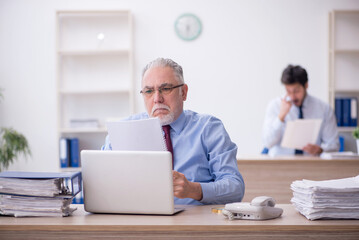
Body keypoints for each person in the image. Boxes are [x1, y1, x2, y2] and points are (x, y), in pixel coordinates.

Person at [102, 58, 245, 205]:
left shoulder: (208, 128)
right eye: (149, 91)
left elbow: (235, 188)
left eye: (165, 89)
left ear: (183, 92)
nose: (157, 99)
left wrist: (193, 189)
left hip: (193, 223)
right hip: (138, 221)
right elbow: (101, 181)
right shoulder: (122, 131)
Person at [262, 64, 339, 156]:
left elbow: (334, 145)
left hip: (311, 165)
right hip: (280, 164)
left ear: (306, 85)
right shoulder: (275, 106)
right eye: (288, 91)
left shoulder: (324, 109)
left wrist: (320, 149)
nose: (292, 96)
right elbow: (267, 143)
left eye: (296, 91)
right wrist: (281, 117)